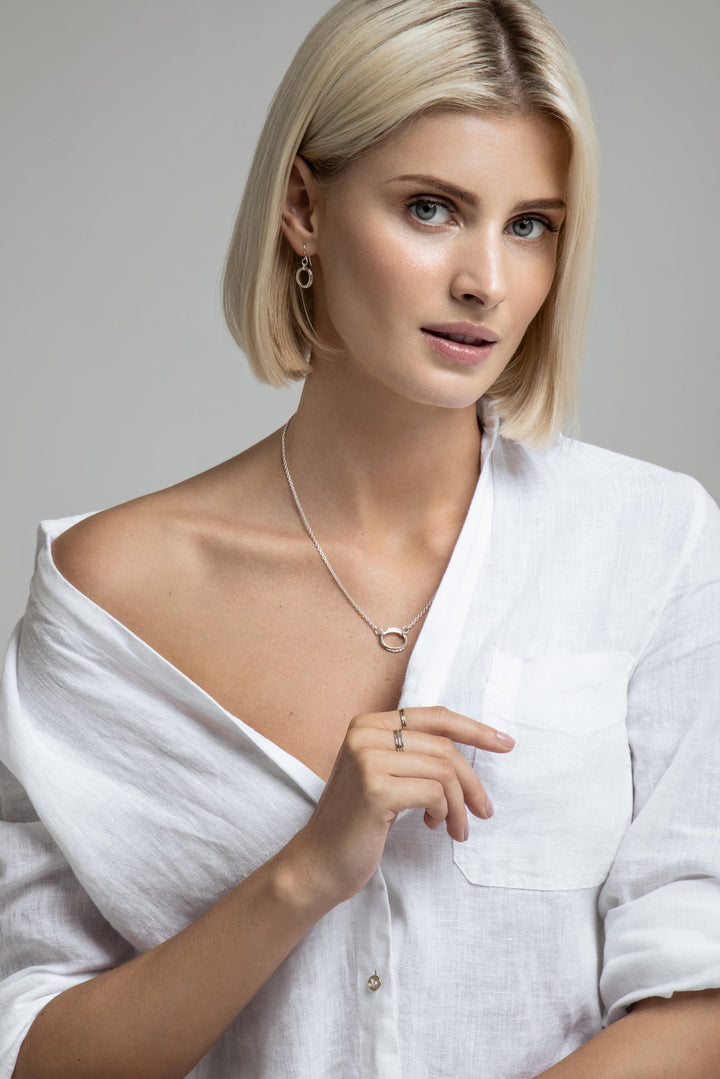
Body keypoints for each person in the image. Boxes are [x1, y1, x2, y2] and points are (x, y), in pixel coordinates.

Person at [1, 0, 719, 1076]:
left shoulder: (651, 540)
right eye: (432, 208)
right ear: (303, 204)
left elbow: (701, 987)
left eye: (532, 224)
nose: (486, 279)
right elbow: (39, 1049)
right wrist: (303, 873)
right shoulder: (113, 590)